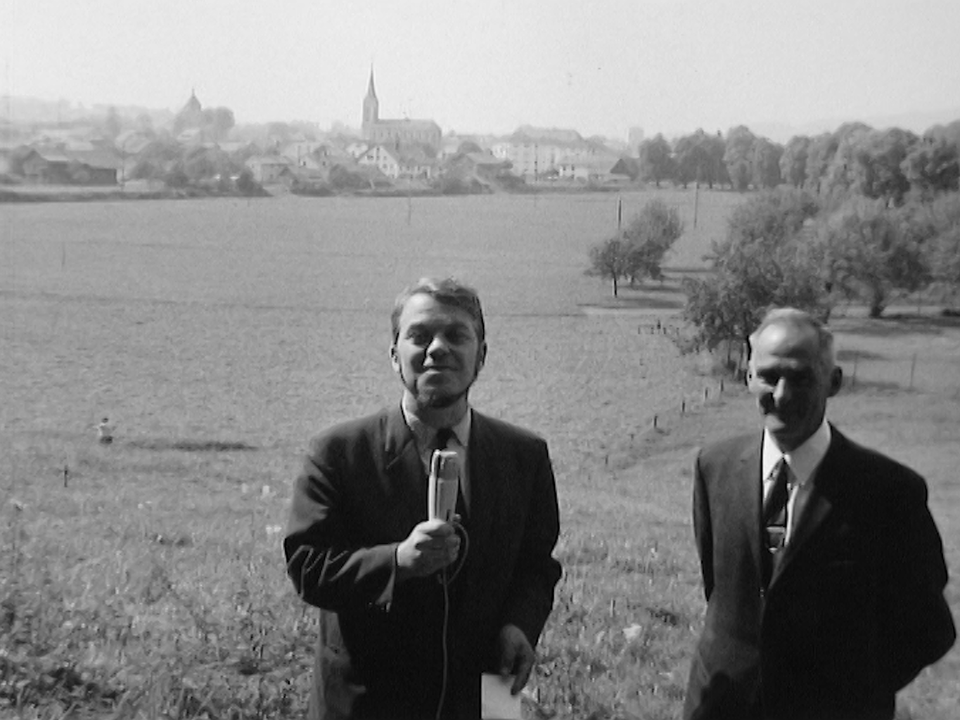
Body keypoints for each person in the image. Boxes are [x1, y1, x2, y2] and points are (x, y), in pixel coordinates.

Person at [284, 277, 562, 720]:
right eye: (420, 335)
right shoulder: (339, 453)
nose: (437, 348)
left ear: (482, 356)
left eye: (456, 335)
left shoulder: (524, 456)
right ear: (395, 356)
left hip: (484, 696)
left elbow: (537, 564)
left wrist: (519, 625)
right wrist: (396, 562)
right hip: (368, 702)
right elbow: (307, 565)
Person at [684, 307, 955, 720]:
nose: (782, 395)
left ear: (834, 382)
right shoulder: (714, 466)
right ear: (747, 377)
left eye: (800, 377)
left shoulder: (889, 492)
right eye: (769, 376)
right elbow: (721, 589)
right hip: (720, 707)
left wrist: (849, 692)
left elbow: (928, 628)